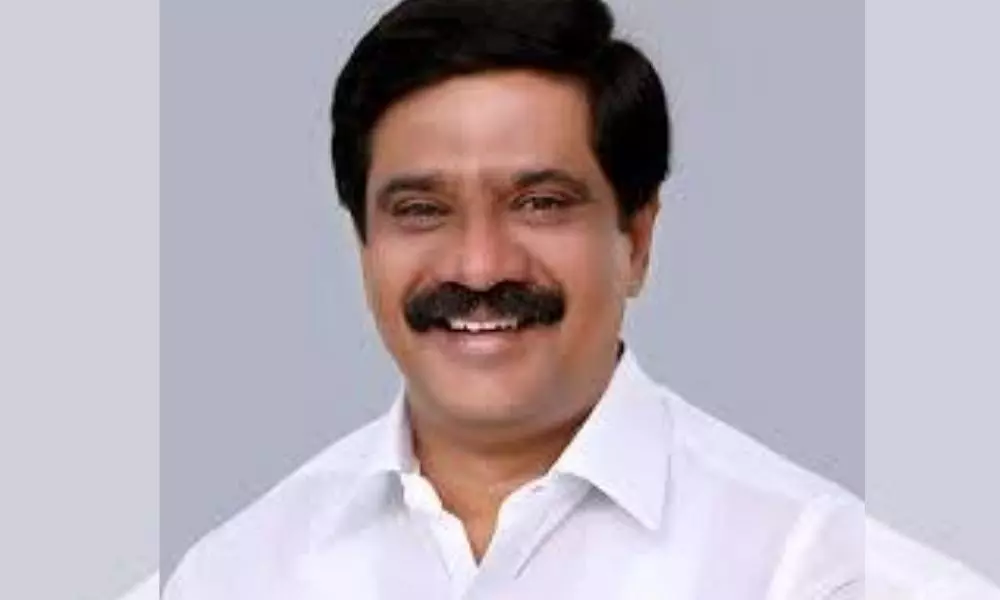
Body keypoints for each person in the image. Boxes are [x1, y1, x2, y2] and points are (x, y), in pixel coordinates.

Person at [163, 0, 997, 598]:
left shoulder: (815, 572)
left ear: (637, 237)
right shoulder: (234, 576)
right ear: (364, 245)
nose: (480, 267)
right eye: (421, 210)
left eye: (541, 203)